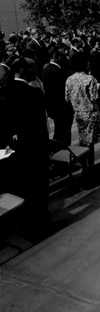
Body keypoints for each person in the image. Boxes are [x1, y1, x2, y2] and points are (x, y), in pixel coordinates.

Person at [4, 57, 50, 239]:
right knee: (38, 189)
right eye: (33, 68)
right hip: (35, 149)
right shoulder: (33, 93)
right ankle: (38, 225)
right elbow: (40, 127)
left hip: (14, 150)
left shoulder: (5, 90)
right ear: (23, 71)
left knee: (22, 187)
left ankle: (24, 224)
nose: (36, 71)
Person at [65, 52, 100, 166]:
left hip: (78, 114)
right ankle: (90, 166)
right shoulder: (90, 78)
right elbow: (94, 97)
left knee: (83, 140)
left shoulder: (69, 79)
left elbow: (67, 98)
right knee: (90, 142)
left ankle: (85, 165)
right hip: (90, 114)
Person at [42, 42, 74, 145]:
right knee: (61, 132)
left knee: (63, 131)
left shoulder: (51, 69)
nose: (63, 58)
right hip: (60, 107)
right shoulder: (53, 70)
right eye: (61, 56)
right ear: (56, 57)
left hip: (59, 107)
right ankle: (61, 152)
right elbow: (57, 91)